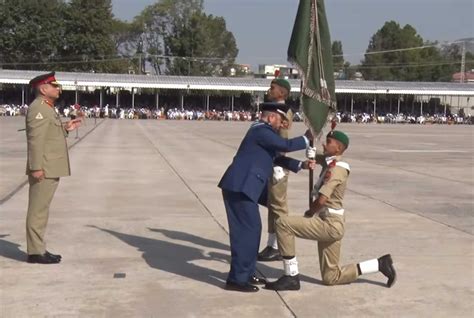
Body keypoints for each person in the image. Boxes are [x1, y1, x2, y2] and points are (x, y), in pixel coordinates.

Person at [265, 130, 397, 290]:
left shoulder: (336, 170)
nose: (324, 144)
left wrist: (310, 212)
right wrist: (311, 152)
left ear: (338, 148)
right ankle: (379, 264)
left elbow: (321, 200)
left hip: (330, 224)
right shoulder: (331, 162)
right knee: (330, 277)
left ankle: (290, 275)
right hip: (331, 222)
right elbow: (319, 159)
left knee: (283, 223)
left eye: (328, 142)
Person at [218, 102, 315, 292]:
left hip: (244, 187)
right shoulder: (260, 130)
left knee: (251, 232)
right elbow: (284, 145)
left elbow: (276, 156)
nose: (281, 125)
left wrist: (300, 166)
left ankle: (245, 273)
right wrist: (306, 139)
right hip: (241, 187)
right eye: (280, 121)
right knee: (247, 233)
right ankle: (237, 280)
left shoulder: (262, 133)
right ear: (271, 117)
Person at [25, 72, 82, 264]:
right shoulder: (39, 109)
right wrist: (36, 167)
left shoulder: (47, 108)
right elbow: (35, 141)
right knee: (38, 210)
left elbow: (48, 134)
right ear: (43, 89)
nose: (58, 89)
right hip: (44, 167)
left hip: (49, 166)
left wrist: (65, 128)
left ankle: (39, 248)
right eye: (54, 86)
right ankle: (35, 251)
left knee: (42, 209)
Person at [258, 78, 294, 262]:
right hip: (271, 163)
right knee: (272, 206)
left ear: (282, 92)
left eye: (272, 88)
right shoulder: (272, 107)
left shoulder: (284, 112)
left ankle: (282, 246)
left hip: (278, 165)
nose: (269, 90)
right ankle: (272, 245)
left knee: (279, 208)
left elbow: (283, 141)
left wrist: (279, 165)